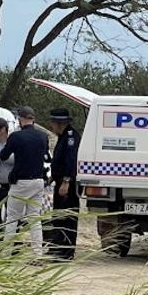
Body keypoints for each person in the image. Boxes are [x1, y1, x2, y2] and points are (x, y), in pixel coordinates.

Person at [0, 106, 48, 253]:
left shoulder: (16, 136)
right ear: (33, 119)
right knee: (35, 218)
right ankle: (37, 253)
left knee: (12, 218)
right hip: (38, 181)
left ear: (20, 119)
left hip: (21, 182)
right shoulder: (43, 136)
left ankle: (7, 252)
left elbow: (3, 156)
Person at [45, 107, 80, 260]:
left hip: (68, 183)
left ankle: (67, 251)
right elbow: (58, 160)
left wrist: (66, 181)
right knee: (58, 215)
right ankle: (57, 247)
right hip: (59, 180)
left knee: (67, 217)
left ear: (59, 123)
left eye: (52, 123)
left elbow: (71, 161)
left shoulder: (71, 137)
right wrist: (53, 177)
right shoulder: (63, 136)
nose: (51, 126)